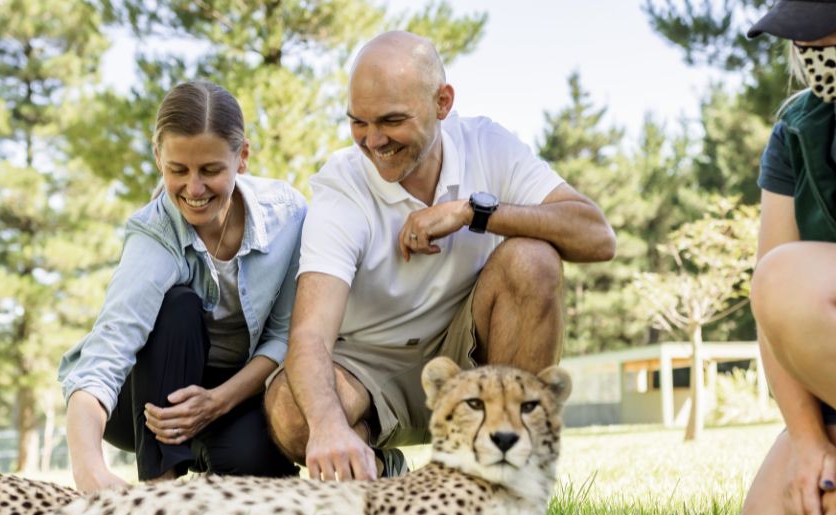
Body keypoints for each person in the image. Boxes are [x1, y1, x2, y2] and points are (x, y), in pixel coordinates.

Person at [264, 32, 616, 482]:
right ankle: (383, 471)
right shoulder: (341, 190)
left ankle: (503, 481)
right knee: (295, 415)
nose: (373, 141)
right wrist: (329, 427)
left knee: (533, 259)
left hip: (468, 350)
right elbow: (310, 335)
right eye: (358, 122)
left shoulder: (488, 145)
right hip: (367, 366)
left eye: (391, 121)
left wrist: (474, 212)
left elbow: (597, 236)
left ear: (442, 102)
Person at [58, 81, 304, 492]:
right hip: (149, 396)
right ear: (158, 158)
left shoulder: (289, 215)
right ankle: (162, 487)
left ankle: (207, 448)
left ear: (242, 157)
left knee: (259, 474)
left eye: (210, 170)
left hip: (237, 392)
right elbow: (108, 352)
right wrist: (89, 471)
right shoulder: (152, 233)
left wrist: (216, 402)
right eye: (178, 170)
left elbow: (283, 336)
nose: (193, 190)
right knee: (177, 307)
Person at [739, 1, 836, 515]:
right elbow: (771, 313)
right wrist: (806, 440)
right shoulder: (796, 130)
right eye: (806, 39)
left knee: (787, 278)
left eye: (830, 35)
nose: (817, 52)